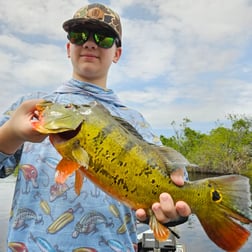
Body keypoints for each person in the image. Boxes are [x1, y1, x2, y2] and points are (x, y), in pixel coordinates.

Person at [0, 3, 191, 251]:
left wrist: (175, 211)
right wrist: (10, 134)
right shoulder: (33, 107)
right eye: (80, 36)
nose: (90, 43)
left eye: (103, 38)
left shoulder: (134, 121)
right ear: (69, 48)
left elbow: (174, 184)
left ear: (117, 53)